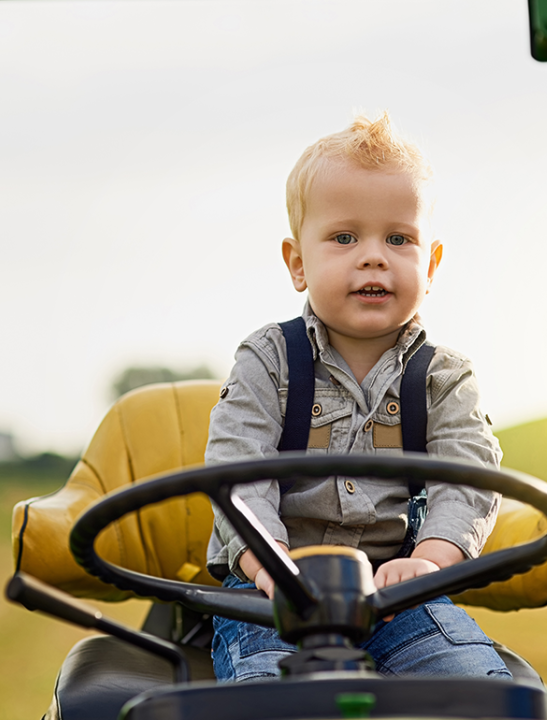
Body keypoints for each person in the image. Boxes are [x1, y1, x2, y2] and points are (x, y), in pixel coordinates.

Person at [205, 113, 511, 682]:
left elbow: (466, 476)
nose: (374, 256)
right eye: (345, 237)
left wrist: (430, 560)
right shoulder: (268, 360)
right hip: (273, 592)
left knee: (476, 687)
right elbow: (238, 468)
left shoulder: (444, 377)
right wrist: (269, 561)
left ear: (432, 263)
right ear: (298, 263)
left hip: (397, 591)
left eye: (399, 238)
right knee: (272, 693)